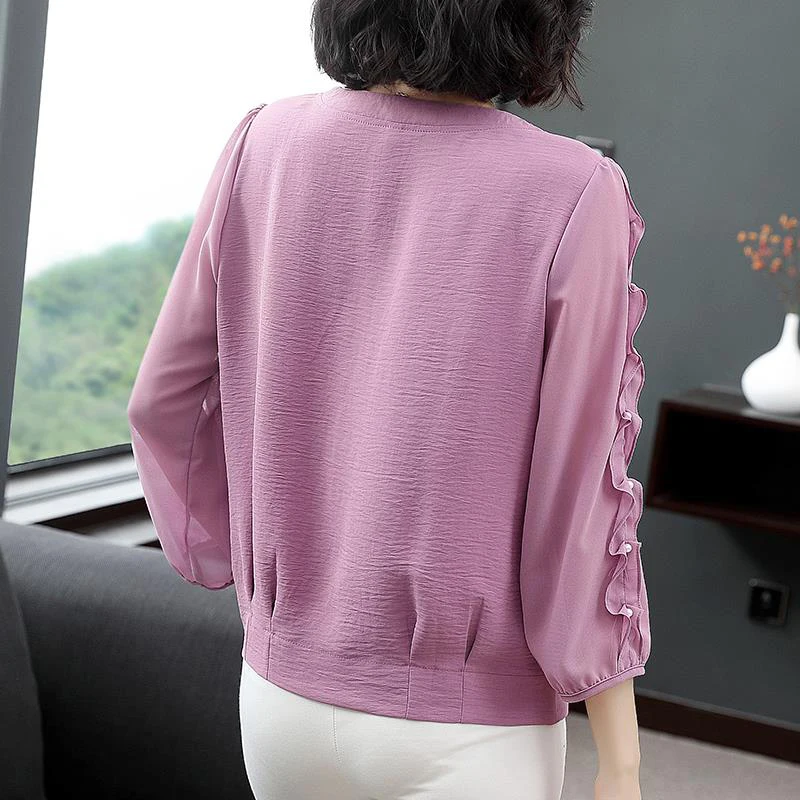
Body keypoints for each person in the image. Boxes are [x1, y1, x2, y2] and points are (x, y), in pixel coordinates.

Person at [126, 1, 652, 798]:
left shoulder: (261, 142)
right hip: (471, 726)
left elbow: (163, 403)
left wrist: (258, 571)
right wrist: (622, 761)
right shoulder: (574, 188)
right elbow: (580, 494)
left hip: (280, 702)